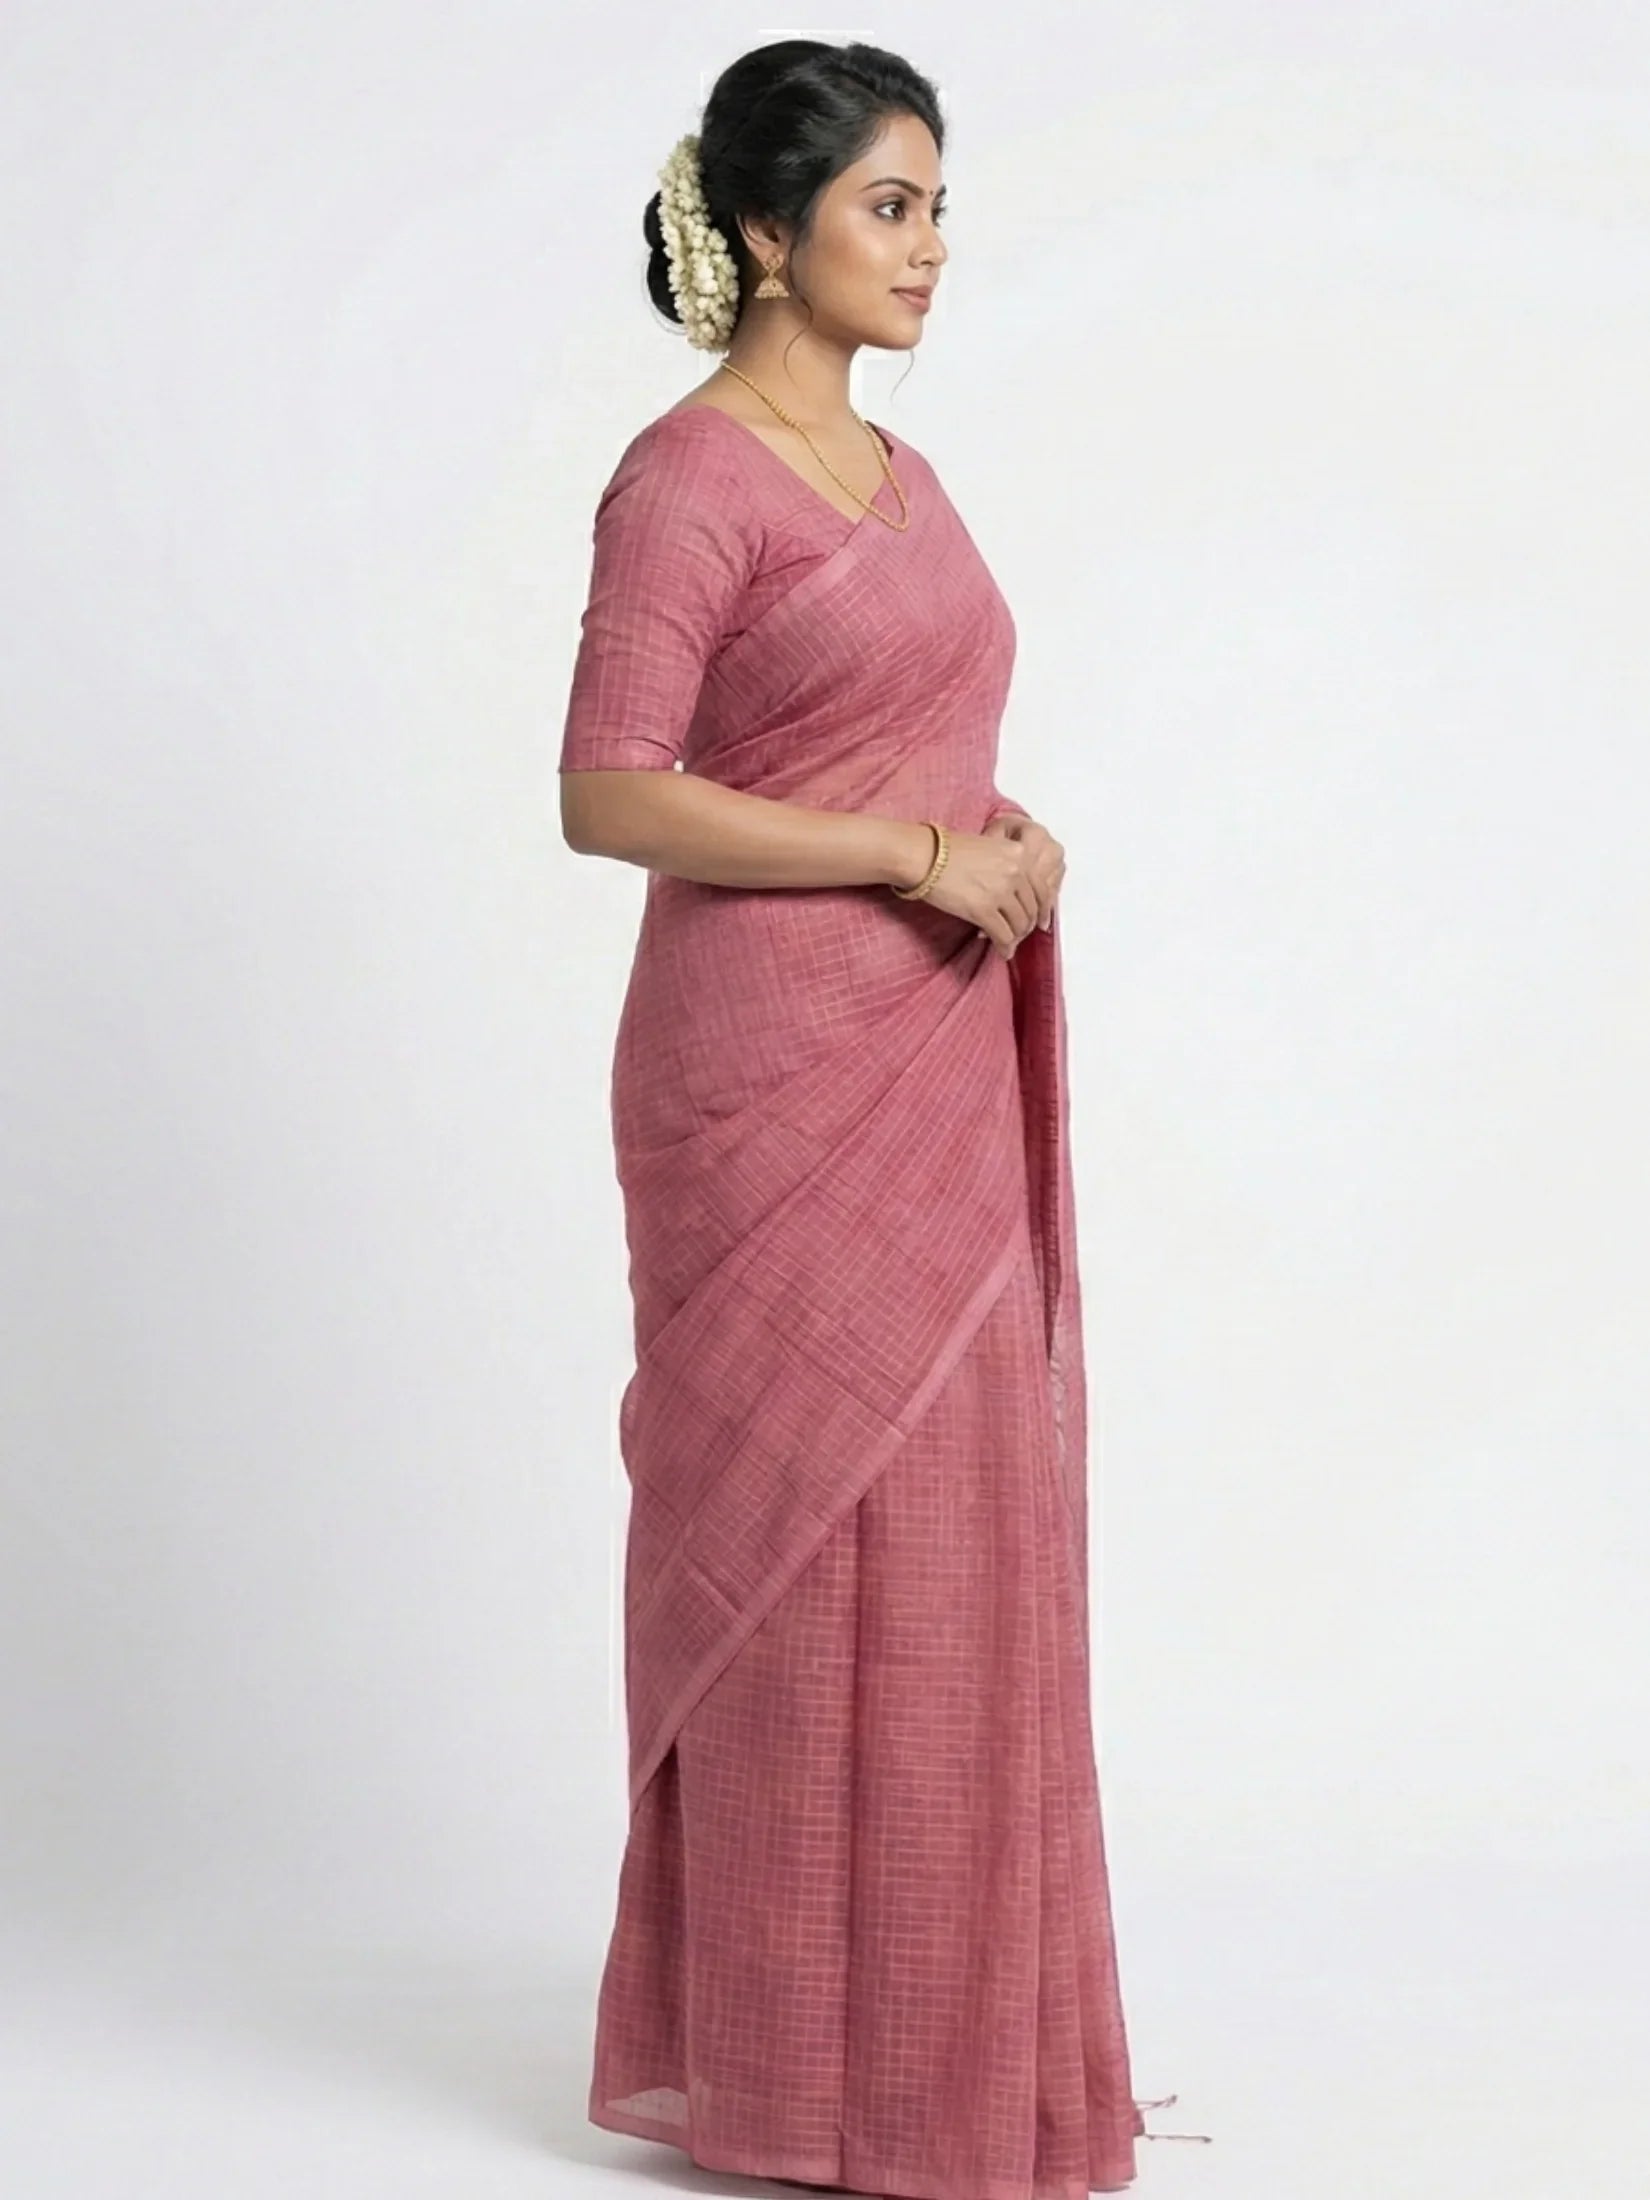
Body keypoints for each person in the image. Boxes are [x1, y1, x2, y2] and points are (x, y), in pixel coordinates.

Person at [559, 38, 1206, 2200]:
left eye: (938, 204)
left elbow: (908, 751)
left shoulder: (903, 485)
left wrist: (995, 840)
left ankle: (927, 2049)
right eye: (892, 206)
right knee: (790, 1539)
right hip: (764, 1069)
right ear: (766, 231)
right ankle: (782, 2060)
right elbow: (610, 789)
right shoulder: (690, 478)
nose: (935, 246)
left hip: (928, 1049)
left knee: (951, 1548)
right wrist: (913, 863)